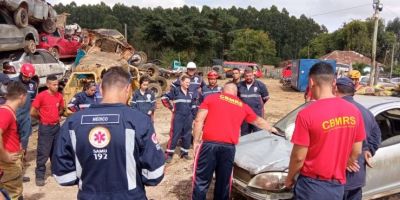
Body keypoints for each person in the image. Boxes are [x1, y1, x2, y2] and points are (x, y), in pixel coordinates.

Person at [52, 67, 165, 199]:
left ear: (100, 89)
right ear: (128, 89)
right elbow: (154, 175)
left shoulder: (72, 123)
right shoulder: (140, 121)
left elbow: (63, 176)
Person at [284, 62, 366, 200]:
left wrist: (289, 178)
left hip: (311, 187)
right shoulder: (354, 111)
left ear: (311, 82)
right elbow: (357, 150)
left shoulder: (307, 114)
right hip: (338, 186)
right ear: (334, 82)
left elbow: (298, 157)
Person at [192, 82, 277, 200]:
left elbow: (198, 120)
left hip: (209, 145)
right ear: (236, 93)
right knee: (224, 182)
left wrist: (196, 142)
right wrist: (273, 129)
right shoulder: (243, 106)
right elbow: (258, 121)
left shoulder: (211, 98)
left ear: (222, 90)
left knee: (201, 180)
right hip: (228, 147)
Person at [335, 77, 381, 200]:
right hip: (356, 176)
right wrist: (368, 150)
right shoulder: (366, 112)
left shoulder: (334, 111)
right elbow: (376, 137)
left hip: (335, 178)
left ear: (335, 89)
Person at [31, 75, 64, 186]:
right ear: (48, 85)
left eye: (57, 84)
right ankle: (40, 175)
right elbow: (32, 112)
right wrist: (42, 118)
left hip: (56, 127)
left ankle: (56, 171)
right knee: (43, 152)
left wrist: (56, 116)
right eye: (54, 84)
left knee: (56, 151)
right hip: (45, 128)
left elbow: (61, 109)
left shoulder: (59, 96)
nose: (56, 86)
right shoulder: (41, 96)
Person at [0, 81, 28, 200]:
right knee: (13, 195)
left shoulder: (7, 111)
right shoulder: (6, 113)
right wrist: (5, 155)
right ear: (22, 96)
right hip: (8, 165)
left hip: (10, 164)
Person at [161, 75, 196, 163]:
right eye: (186, 82)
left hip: (188, 117)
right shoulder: (175, 91)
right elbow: (164, 98)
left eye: (189, 82)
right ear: (182, 82)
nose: (188, 84)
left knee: (187, 135)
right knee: (174, 135)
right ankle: (169, 154)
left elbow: (193, 105)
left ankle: (184, 153)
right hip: (178, 116)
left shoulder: (190, 93)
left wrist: (194, 116)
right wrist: (171, 107)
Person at [237, 67, 269, 135]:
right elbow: (237, 99)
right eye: (246, 76)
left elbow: (265, 98)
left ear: (253, 75)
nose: (248, 77)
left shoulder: (260, 85)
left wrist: (257, 106)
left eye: (250, 75)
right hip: (244, 116)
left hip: (257, 115)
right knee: (245, 135)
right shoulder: (239, 85)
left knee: (257, 134)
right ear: (244, 76)